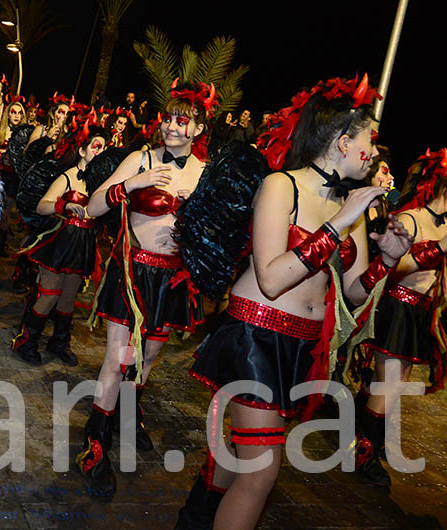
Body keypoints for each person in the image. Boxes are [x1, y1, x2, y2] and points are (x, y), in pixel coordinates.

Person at [175, 74, 412, 530]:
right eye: (370, 140)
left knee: (243, 459)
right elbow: (270, 277)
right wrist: (337, 224)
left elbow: (352, 290)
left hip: (301, 349)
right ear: (343, 142)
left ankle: (194, 519)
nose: (375, 153)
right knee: (261, 473)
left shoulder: (351, 206)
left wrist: (386, 260)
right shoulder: (282, 186)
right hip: (254, 339)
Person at [76, 82, 213, 498]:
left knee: (148, 357)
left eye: (181, 120)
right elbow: (93, 205)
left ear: (198, 128)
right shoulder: (142, 158)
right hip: (132, 271)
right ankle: (96, 442)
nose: (171, 126)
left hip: (172, 277)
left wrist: (196, 232)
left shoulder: (205, 172)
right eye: (168, 118)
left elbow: (214, 231)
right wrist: (135, 184)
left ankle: (127, 414)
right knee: (119, 358)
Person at [352, 148, 447, 487]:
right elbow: (394, 270)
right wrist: (439, 247)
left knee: (390, 384)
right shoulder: (410, 219)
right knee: (389, 385)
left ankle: (360, 433)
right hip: (396, 307)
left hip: (421, 313)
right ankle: (366, 453)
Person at [12, 127, 106, 366]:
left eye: (103, 147)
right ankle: (27, 342)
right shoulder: (67, 177)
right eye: (95, 145)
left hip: (83, 243)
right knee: (50, 295)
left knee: (67, 298)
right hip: (59, 241)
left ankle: (59, 342)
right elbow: (42, 205)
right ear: (82, 150)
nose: (100, 150)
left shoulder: (101, 182)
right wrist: (63, 207)